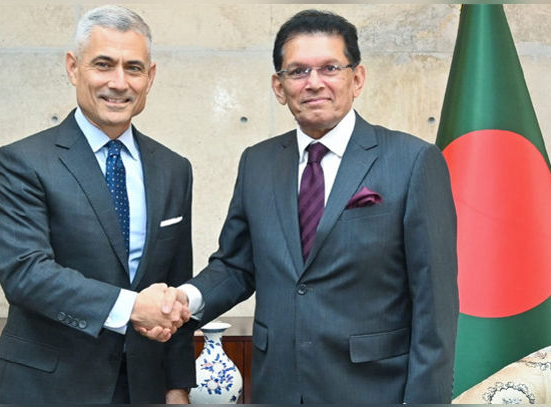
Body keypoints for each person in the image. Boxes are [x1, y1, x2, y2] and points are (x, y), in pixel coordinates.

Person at [143, 9, 459, 404]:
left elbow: (435, 305)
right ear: (279, 87)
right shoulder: (258, 163)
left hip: (374, 390)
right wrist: (185, 300)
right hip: (278, 388)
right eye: (298, 71)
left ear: (357, 78)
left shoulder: (412, 161)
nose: (314, 83)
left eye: (330, 68)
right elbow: (236, 266)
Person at [0, 5, 194, 404]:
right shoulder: (22, 162)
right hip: (47, 389)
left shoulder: (174, 169)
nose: (119, 82)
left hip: (143, 389)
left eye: (133, 68)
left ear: (150, 77)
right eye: (103, 64)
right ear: (73, 67)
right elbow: (25, 272)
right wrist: (132, 307)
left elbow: (175, 283)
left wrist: (177, 385)